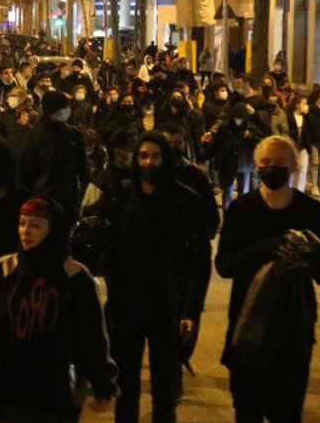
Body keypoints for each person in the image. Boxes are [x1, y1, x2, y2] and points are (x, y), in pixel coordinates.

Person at [215, 135, 320, 422]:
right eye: (266, 163)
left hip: (293, 328)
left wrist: (313, 258)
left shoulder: (312, 211)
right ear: (257, 167)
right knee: (247, 409)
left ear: (294, 167)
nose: (272, 168)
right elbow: (224, 265)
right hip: (249, 326)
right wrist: (266, 248)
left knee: (287, 411)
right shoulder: (242, 210)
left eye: (280, 163)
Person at [0, 197, 117, 421]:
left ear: (53, 229)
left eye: (35, 225)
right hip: (12, 391)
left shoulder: (73, 275)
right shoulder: (4, 270)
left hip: (57, 391)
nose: (25, 231)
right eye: (22, 223)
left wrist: (102, 381)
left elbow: (91, 335)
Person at [100, 132, 211, 423]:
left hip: (167, 306)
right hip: (128, 305)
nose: (150, 162)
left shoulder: (184, 201)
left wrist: (190, 309)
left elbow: (199, 261)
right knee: (126, 384)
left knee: (164, 386)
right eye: (144, 156)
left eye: (156, 156)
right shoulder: (121, 199)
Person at [20, 90, 88, 223]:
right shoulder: (36, 136)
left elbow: (82, 167)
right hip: (44, 199)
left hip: (69, 197)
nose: (67, 110)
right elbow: (27, 171)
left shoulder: (73, 134)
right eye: (64, 107)